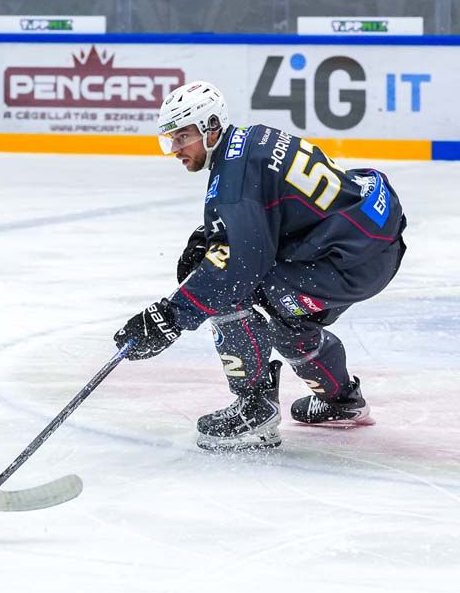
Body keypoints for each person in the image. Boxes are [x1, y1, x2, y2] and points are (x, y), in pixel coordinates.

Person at [113, 81, 407, 450]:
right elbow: (277, 209)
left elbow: (237, 270)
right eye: (169, 139)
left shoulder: (233, 182)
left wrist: (169, 317)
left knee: (223, 290)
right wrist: (217, 235)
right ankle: (342, 401)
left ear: (211, 127)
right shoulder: (250, 139)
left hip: (348, 262)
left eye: (183, 136)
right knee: (288, 325)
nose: (174, 149)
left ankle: (254, 409)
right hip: (364, 240)